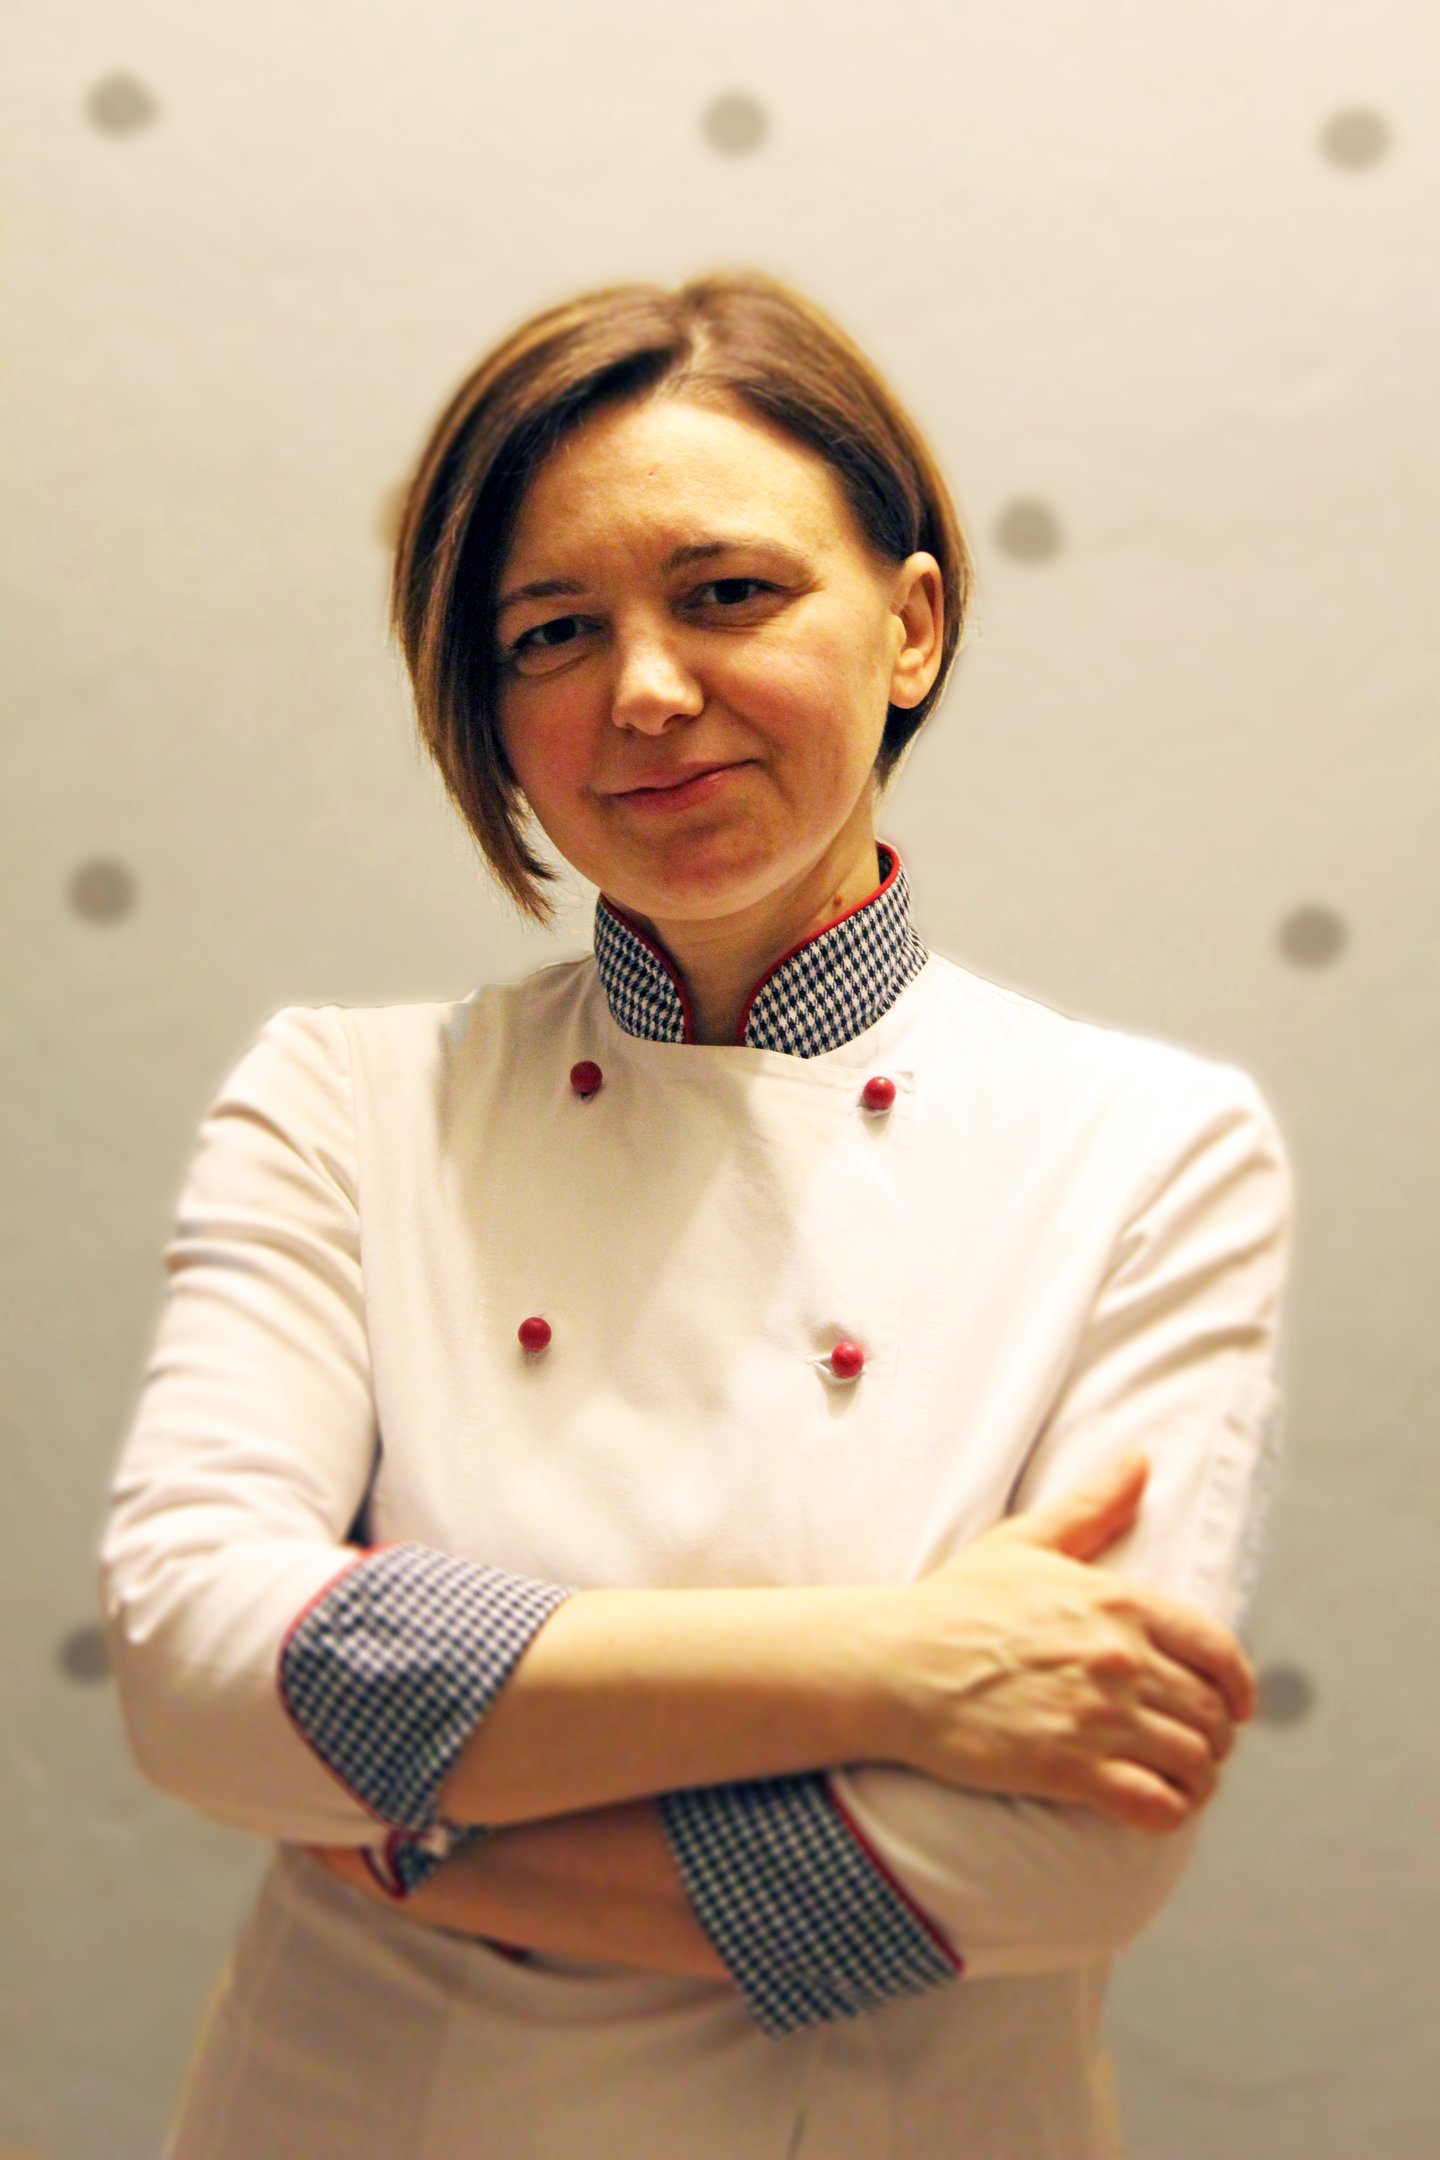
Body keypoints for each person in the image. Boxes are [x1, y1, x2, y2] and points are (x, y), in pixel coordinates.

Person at [100, 268, 1294, 2160]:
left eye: (729, 593)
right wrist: (909, 1671)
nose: (646, 693)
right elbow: (197, 1664)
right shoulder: (343, 1103)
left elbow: (1066, 1850)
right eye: (553, 634)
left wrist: (414, 1825)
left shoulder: (1152, 1146)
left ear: (910, 628)